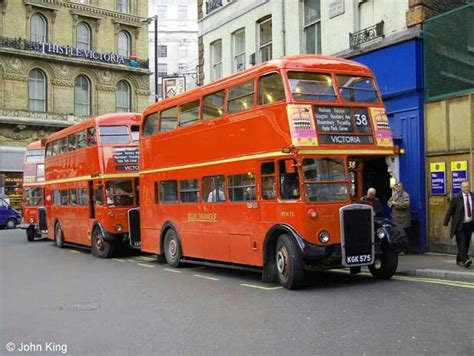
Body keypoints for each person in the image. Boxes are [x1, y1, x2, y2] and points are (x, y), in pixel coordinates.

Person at [443, 181, 473, 268]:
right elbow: (450, 211)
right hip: (459, 225)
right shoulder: (456, 198)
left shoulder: (472, 196)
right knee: (462, 242)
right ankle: (465, 259)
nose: (466, 189)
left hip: (470, 224)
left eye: (467, 187)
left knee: (466, 243)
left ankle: (459, 259)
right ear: (461, 188)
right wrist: (446, 222)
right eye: (464, 187)